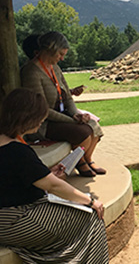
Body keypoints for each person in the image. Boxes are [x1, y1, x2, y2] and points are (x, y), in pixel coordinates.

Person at [0, 88, 109, 263]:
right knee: (92, 214)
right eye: (39, 117)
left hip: (3, 219)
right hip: (16, 221)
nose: (42, 121)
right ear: (26, 117)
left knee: (80, 213)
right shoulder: (17, 150)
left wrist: (48, 174)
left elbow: (20, 179)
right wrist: (90, 201)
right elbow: (54, 186)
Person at [21, 31, 106, 177]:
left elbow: (67, 98)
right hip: (43, 122)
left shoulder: (56, 68)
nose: (62, 58)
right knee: (83, 133)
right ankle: (79, 164)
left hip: (62, 115)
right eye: (60, 54)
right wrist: (72, 120)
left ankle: (87, 159)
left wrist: (76, 114)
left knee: (94, 126)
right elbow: (41, 109)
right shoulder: (31, 72)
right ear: (49, 49)